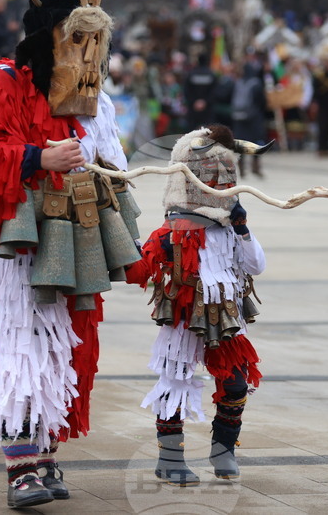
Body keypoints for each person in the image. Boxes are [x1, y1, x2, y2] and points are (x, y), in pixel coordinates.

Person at [0, 0, 137, 509]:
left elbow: (113, 161)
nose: (86, 52)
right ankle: (20, 465)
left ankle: (46, 451)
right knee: (23, 344)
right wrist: (36, 156)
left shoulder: (86, 96)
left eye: (92, 42)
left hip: (73, 237)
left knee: (64, 346)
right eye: (75, 38)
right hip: (19, 240)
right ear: (49, 35)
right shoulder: (2, 84)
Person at [126, 126, 268, 486]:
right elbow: (136, 271)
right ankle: (169, 458)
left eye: (226, 174)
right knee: (175, 381)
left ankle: (224, 451)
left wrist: (243, 229)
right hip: (183, 319)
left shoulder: (231, 229)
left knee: (235, 384)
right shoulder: (169, 233)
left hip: (228, 318)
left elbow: (256, 266)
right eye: (210, 174)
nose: (220, 182)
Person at [232, 61, 267, 177]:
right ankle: (255, 167)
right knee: (256, 141)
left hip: (239, 116)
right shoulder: (256, 83)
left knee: (241, 142)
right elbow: (262, 102)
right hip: (254, 117)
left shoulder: (238, 82)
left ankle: (241, 169)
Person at [184, 53, 217, 130]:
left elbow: (187, 90)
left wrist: (194, 102)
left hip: (193, 108)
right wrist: (205, 102)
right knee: (208, 131)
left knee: (191, 131)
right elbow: (215, 91)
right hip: (207, 109)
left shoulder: (191, 74)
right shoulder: (211, 74)